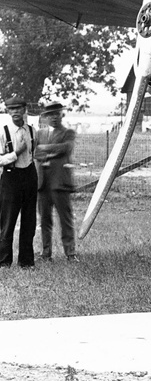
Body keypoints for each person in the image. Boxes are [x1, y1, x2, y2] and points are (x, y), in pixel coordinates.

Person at [34, 101, 76, 261]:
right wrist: (47, 151)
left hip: (60, 183)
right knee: (44, 220)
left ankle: (70, 253)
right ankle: (45, 253)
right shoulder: (39, 134)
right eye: (50, 114)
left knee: (65, 219)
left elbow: (65, 148)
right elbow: (34, 152)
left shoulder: (68, 132)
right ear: (45, 117)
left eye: (56, 114)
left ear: (62, 115)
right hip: (42, 183)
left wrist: (44, 149)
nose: (53, 117)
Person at [0, 98, 38, 269]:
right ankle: (4, 262)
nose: (15, 112)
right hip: (11, 176)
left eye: (18, 108)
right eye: (11, 109)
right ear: (7, 111)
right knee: (7, 221)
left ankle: (26, 261)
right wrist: (16, 153)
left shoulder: (32, 130)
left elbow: (33, 152)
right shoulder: (3, 132)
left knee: (29, 220)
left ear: (24, 109)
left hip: (29, 175)